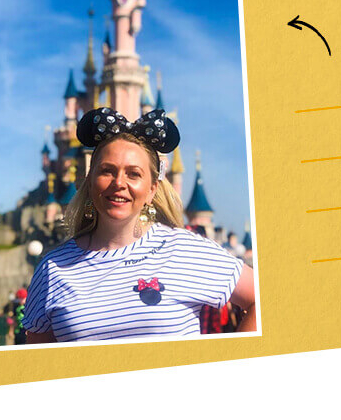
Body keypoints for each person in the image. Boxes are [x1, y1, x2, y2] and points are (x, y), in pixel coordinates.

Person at [23, 107, 256, 343]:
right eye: (107, 171)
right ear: (90, 180)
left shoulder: (185, 250)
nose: (119, 183)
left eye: (133, 174)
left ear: (151, 189)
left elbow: (265, 298)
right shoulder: (52, 268)